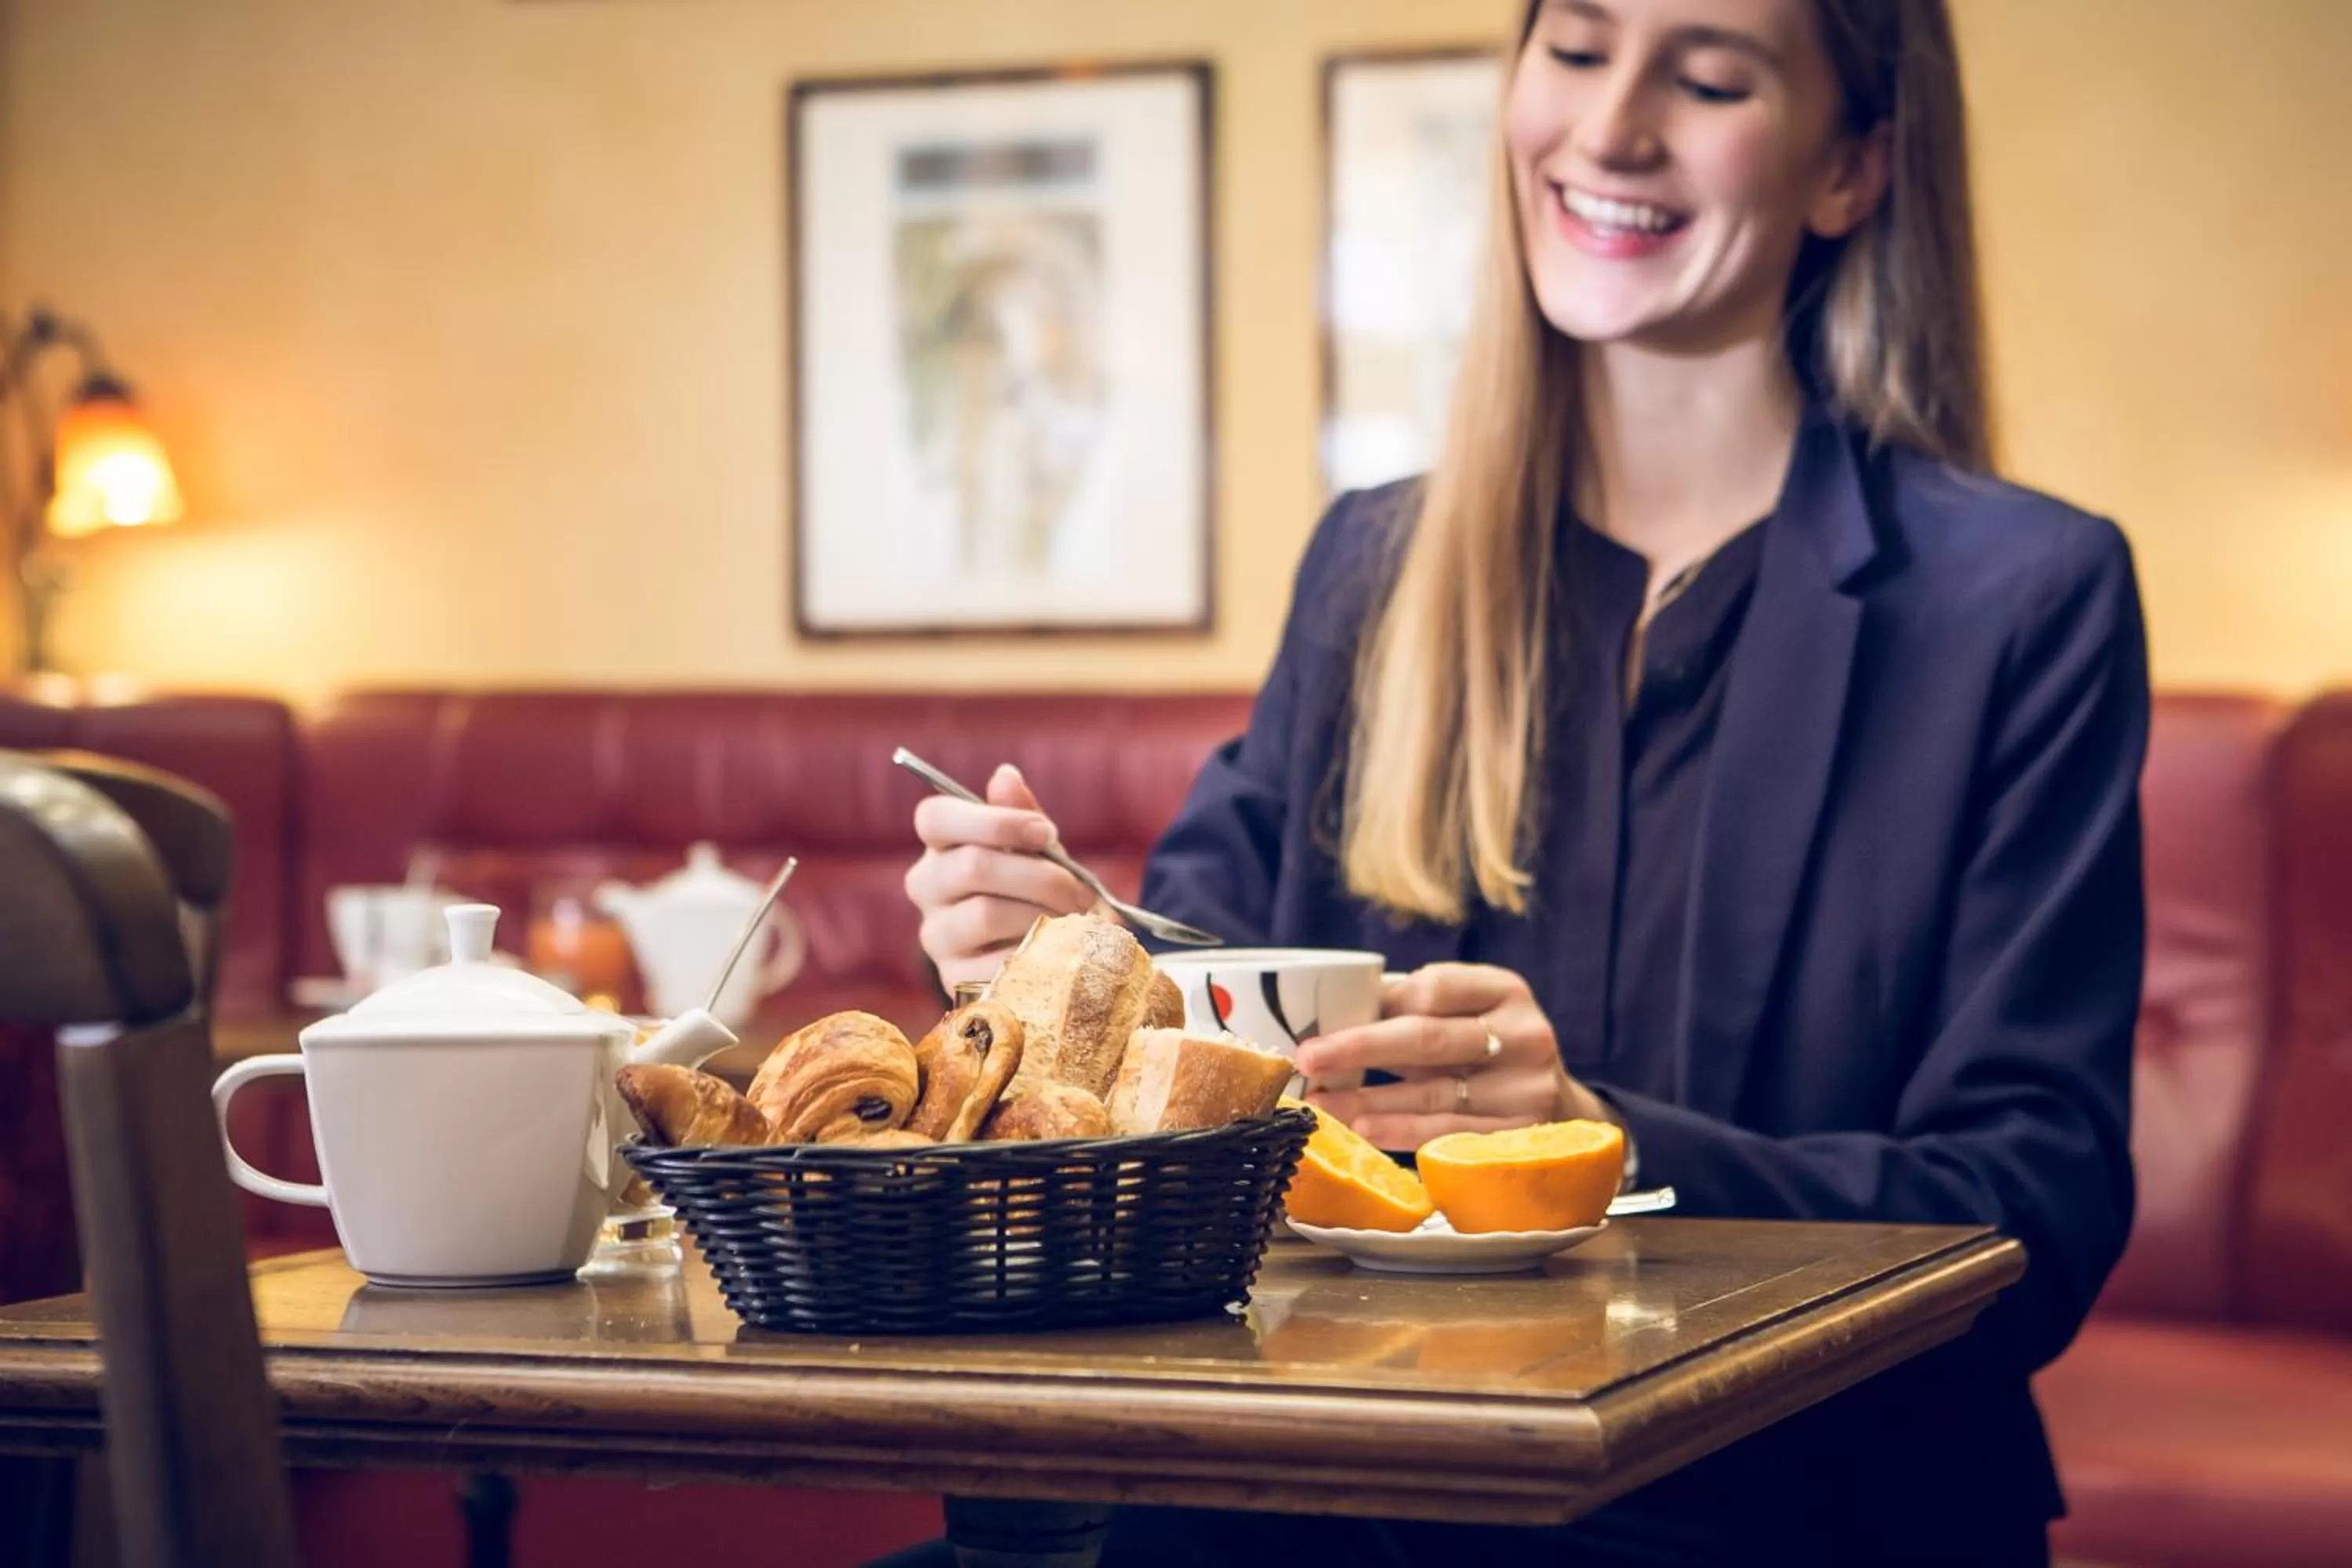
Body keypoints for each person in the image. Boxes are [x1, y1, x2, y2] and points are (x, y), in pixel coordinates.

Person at [900, 0, 2146, 1561]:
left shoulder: (2027, 600)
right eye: (1576, 49)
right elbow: (1188, 1003)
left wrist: (1598, 1144)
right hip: (1328, 1498)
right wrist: (1039, 971)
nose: (1611, 127)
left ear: (1852, 169)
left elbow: (2037, 1209)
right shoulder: (1368, 565)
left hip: (1796, 1512)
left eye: (1709, 77)